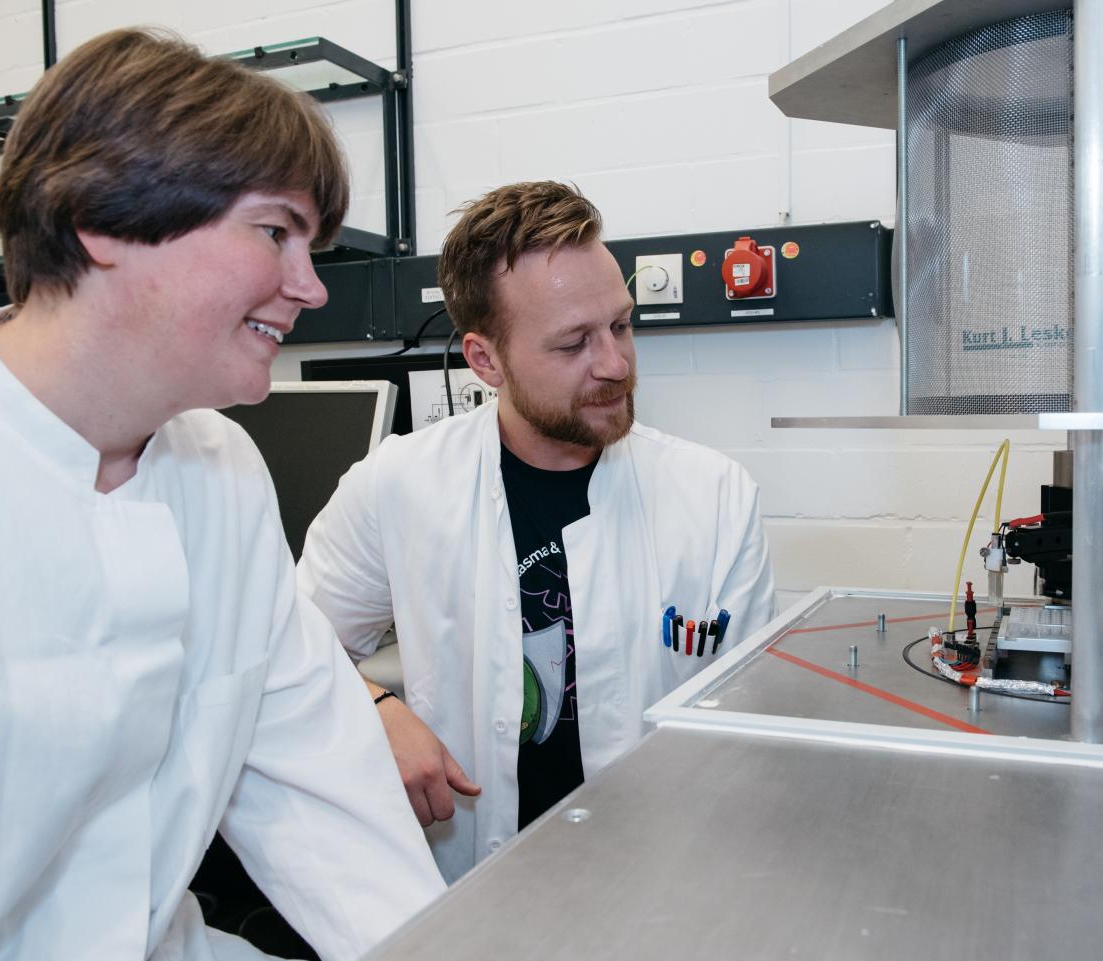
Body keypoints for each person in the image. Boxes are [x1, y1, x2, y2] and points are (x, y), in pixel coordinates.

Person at [0, 29, 444, 960]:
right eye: (276, 230)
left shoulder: (221, 469)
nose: (311, 287)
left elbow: (317, 781)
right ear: (103, 217)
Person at [297, 181, 777, 883]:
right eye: (574, 342)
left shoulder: (715, 498)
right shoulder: (398, 484)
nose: (614, 363)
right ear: (486, 360)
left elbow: (752, 733)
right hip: (468, 888)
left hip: (662, 882)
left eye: (621, 325)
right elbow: (285, 643)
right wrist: (373, 707)